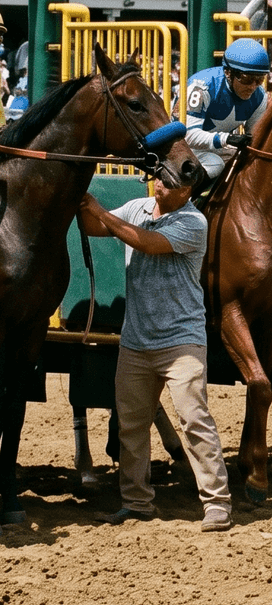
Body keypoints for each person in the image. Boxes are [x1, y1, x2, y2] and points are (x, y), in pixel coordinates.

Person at [77, 178, 233, 532]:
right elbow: (91, 226)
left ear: (188, 191)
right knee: (131, 427)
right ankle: (136, 503)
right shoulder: (138, 208)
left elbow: (145, 242)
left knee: (194, 420)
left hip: (181, 342)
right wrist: (78, 198)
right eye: (161, 174)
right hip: (136, 340)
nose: (161, 180)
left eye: (172, 179)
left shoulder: (193, 222)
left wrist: (98, 208)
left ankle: (217, 503)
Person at [184, 38, 271, 185]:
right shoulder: (201, 87)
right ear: (228, 72)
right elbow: (188, 136)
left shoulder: (259, 96)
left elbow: (255, 140)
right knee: (215, 163)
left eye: (259, 79)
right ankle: (189, 197)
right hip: (184, 147)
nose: (252, 86)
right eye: (246, 79)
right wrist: (227, 139)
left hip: (217, 147)